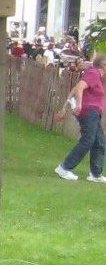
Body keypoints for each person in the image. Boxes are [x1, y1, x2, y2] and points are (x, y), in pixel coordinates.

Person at [54, 51, 106, 182]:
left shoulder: (95, 76)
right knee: (88, 140)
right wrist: (79, 105)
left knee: (99, 142)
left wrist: (64, 108)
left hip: (93, 112)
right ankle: (64, 168)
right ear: (104, 65)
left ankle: (95, 174)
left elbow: (74, 88)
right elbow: (79, 88)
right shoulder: (94, 73)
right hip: (89, 112)